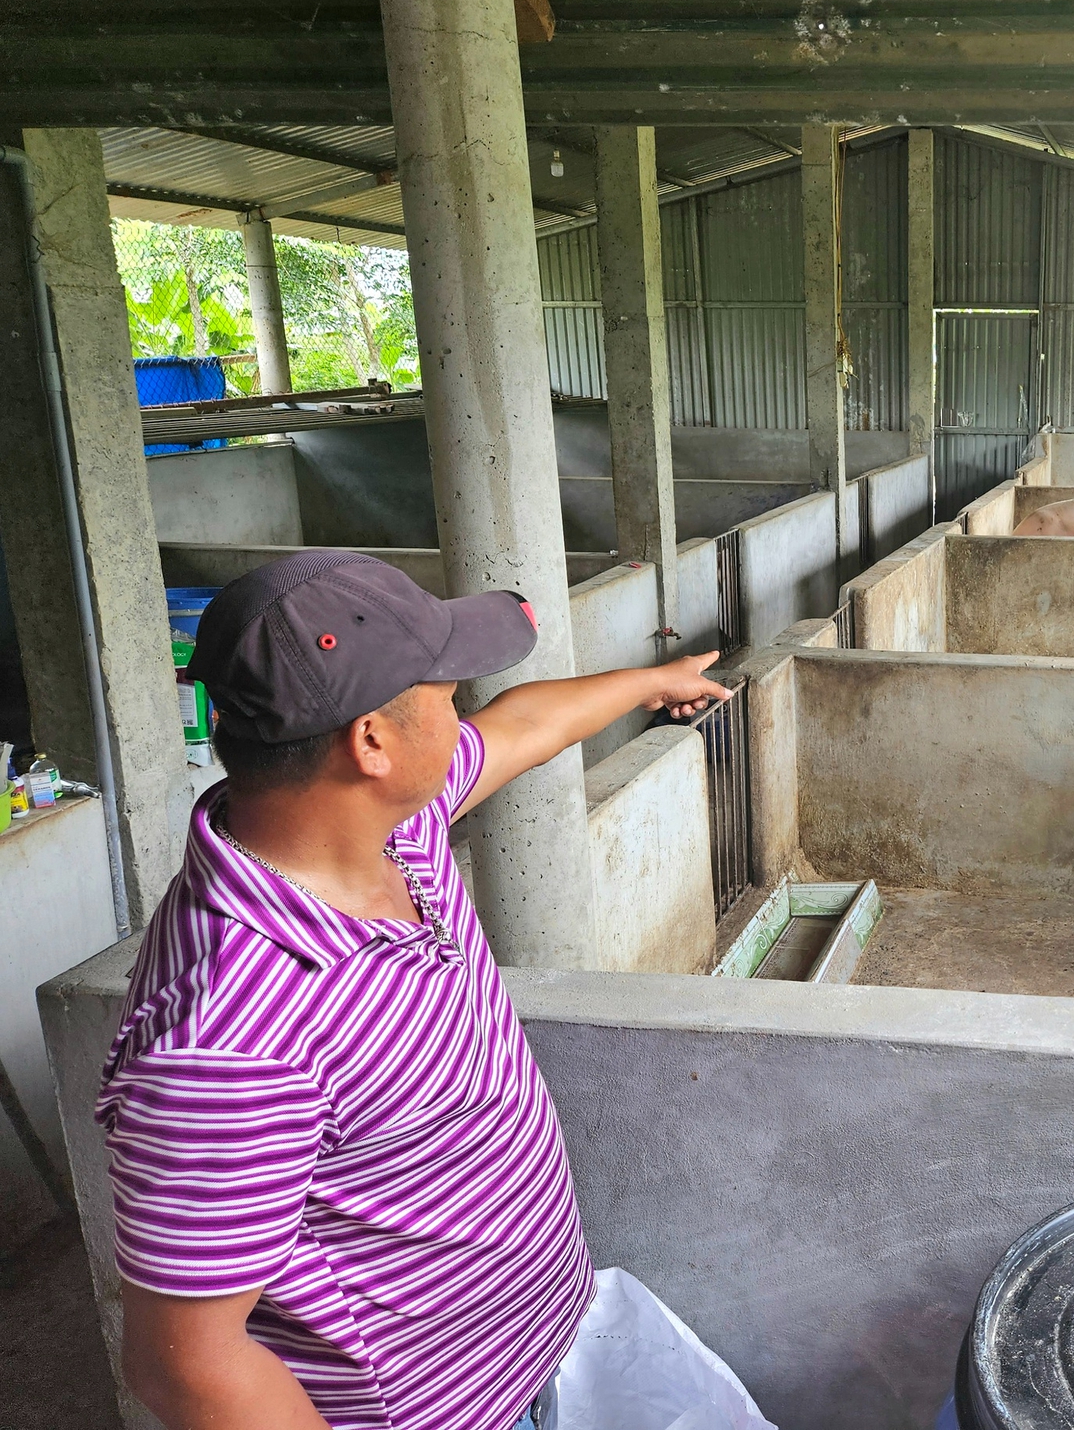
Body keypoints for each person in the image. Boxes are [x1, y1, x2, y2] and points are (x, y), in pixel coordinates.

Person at [95, 551, 732, 1430]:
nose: (461, 705)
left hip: (528, 1350)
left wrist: (650, 680)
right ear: (372, 740)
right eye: (445, 691)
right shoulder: (231, 1039)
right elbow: (189, 1366)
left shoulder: (391, 828)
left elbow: (522, 725)